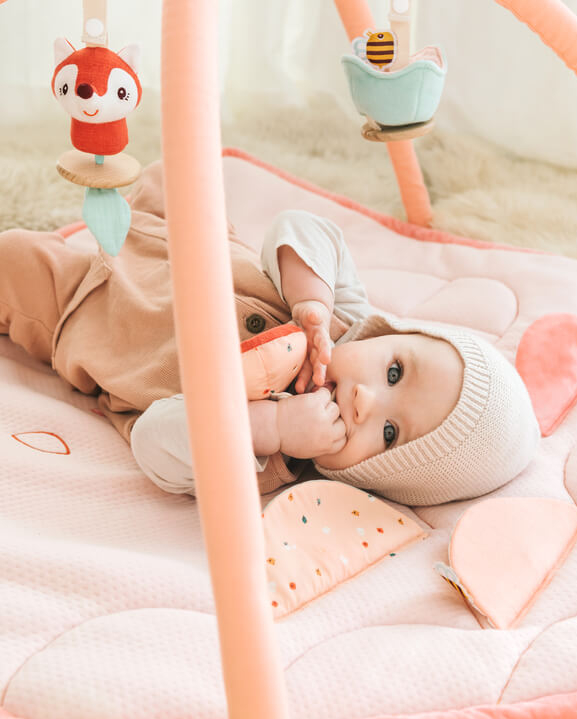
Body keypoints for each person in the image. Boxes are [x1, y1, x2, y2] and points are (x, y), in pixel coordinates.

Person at [0, 161, 539, 506]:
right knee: (184, 164)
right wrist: (310, 299)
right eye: (394, 371)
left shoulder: (263, 467)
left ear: (373, 478)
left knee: (13, 258)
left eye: (390, 434)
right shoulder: (343, 319)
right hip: (184, 238)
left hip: (87, 310)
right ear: (391, 334)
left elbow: (155, 442)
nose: (364, 399)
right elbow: (299, 228)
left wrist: (271, 426)